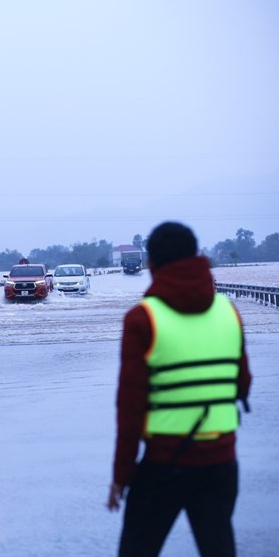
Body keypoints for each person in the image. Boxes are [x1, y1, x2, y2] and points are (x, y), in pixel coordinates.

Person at [107, 221, 252, 556]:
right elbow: (242, 384)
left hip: (163, 464)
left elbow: (130, 408)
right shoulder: (228, 311)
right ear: (196, 256)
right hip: (222, 463)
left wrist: (121, 476)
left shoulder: (143, 318)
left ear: (151, 264)